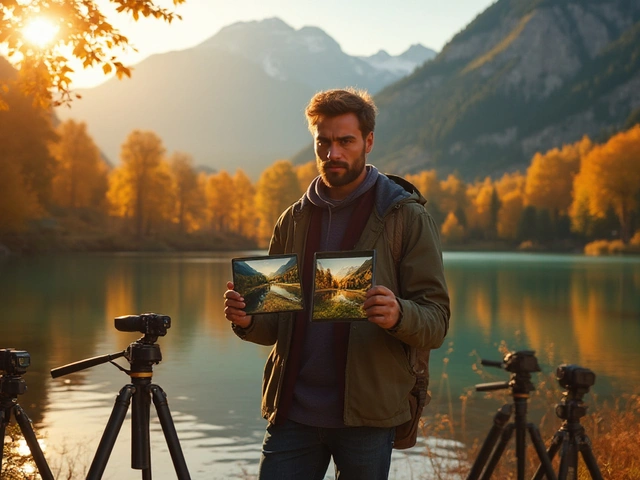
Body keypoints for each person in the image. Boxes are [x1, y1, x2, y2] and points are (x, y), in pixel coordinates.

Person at [224, 88, 450, 480]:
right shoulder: (292, 220)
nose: (333, 154)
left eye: (345, 141)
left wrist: (398, 314)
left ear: (368, 141)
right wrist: (247, 321)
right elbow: (276, 323)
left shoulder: (406, 216)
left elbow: (437, 320)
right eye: (323, 142)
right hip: (292, 412)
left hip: (368, 415)